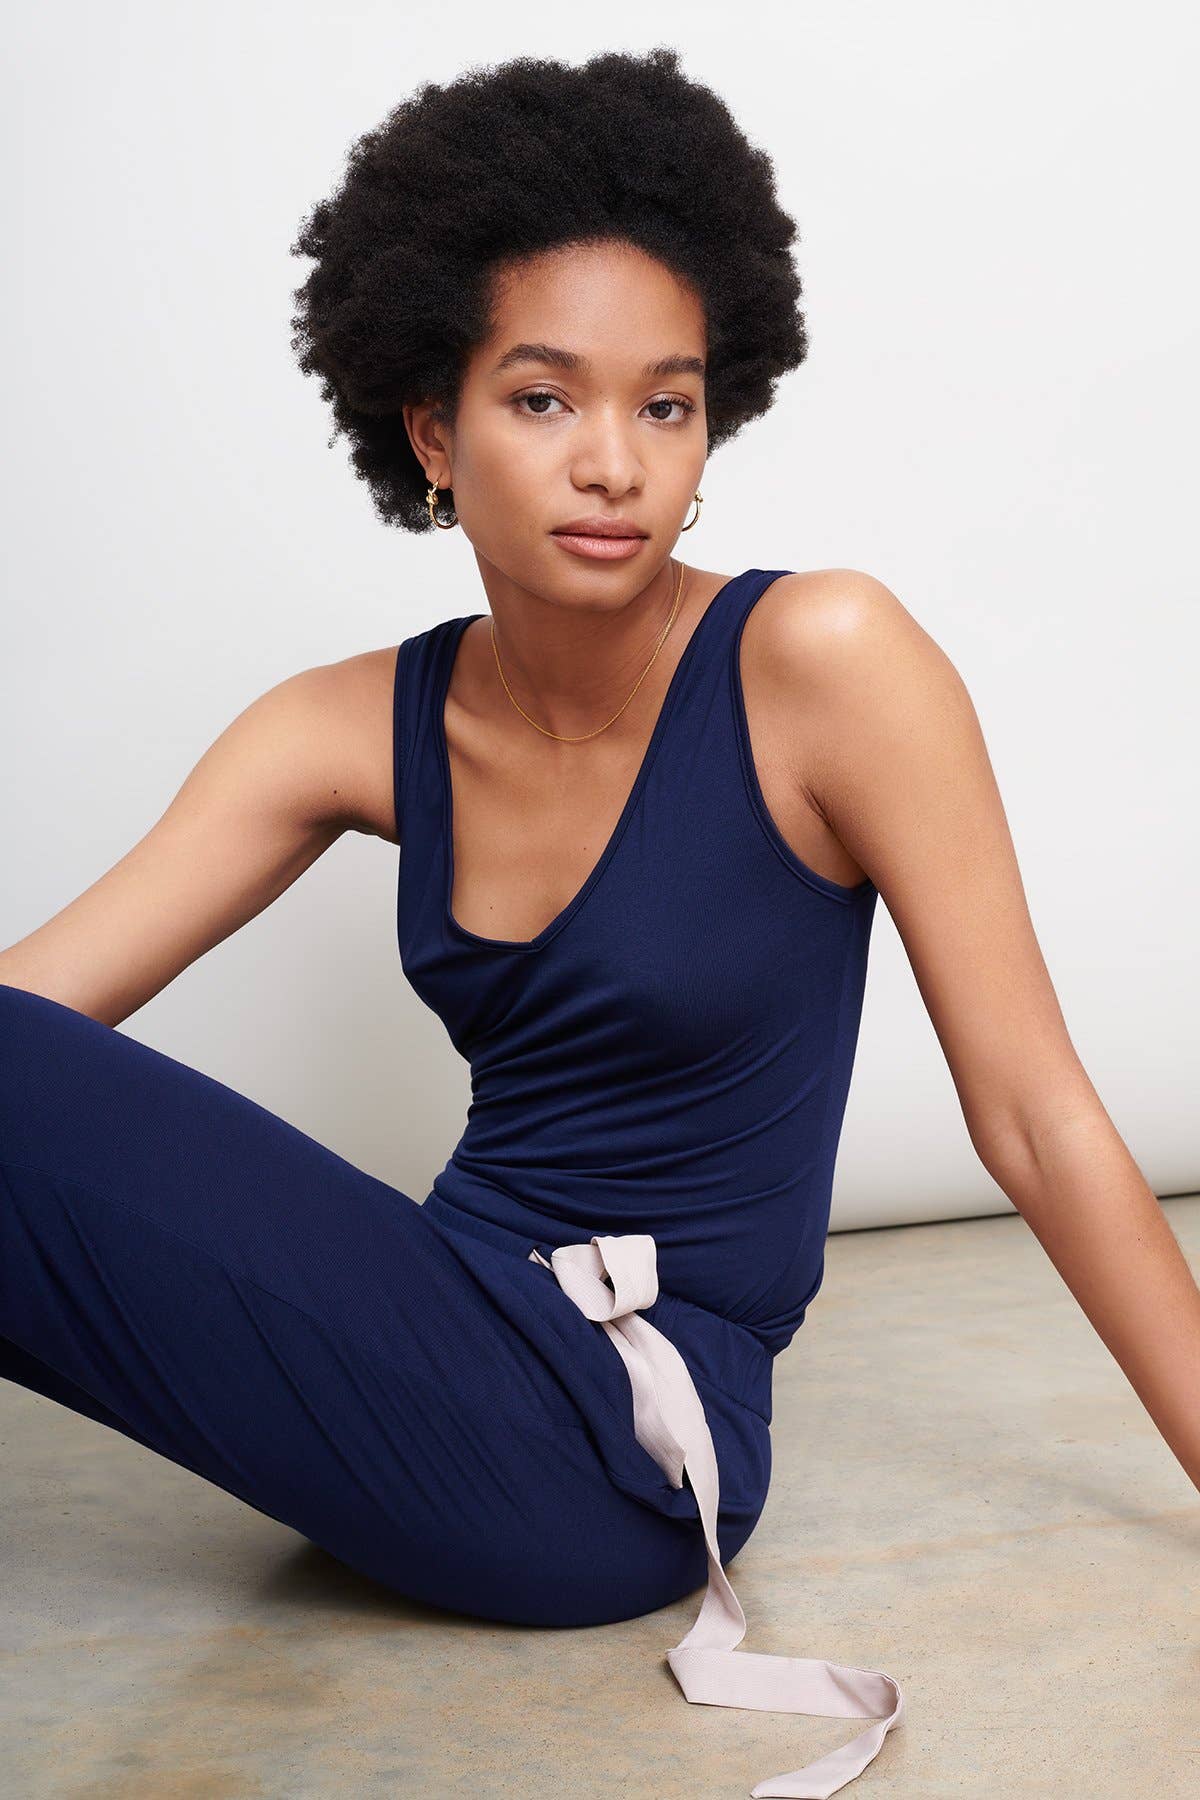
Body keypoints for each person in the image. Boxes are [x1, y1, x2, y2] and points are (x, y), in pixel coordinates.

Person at [2, 45, 1197, 1800]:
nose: (615, 463)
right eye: (546, 399)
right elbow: (32, 1024)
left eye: (668, 405)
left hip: (618, 1449)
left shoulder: (824, 664)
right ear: (434, 431)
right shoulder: (343, 727)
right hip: (426, 1349)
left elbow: (1034, 1113)